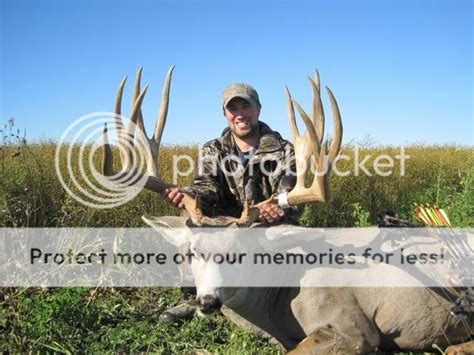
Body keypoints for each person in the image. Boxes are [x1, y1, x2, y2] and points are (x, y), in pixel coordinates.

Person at [159, 83, 298, 323]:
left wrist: (279, 208)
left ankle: (275, 303)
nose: (240, 113)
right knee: (190, 224)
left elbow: (293, 194)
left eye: (246, 105)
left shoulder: (285, 150)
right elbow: (206, 185)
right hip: (223, 231)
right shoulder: (214, 149)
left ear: (258, 109)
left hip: (262, 227)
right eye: (233, 108)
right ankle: (191, 296)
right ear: (225, 114)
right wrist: (186, 194)